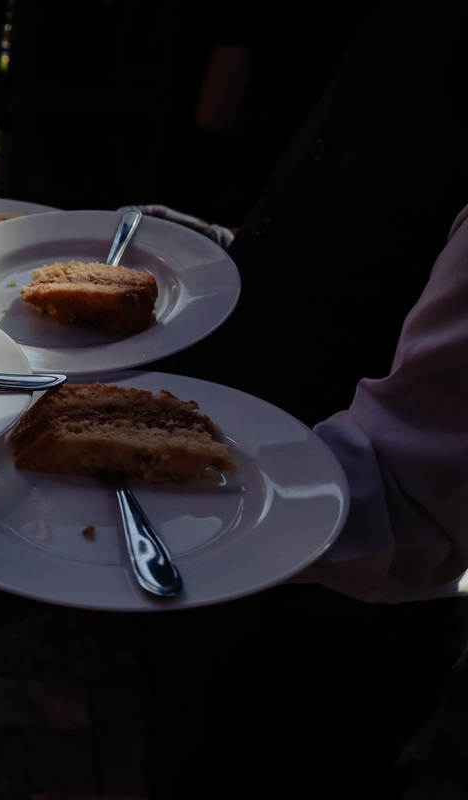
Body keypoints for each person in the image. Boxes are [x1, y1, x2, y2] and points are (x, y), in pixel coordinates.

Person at [125, 1, 468, 797]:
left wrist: (121, 481)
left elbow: (410, 495)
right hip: (222, 560)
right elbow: (361, 255)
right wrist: (209, 254)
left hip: (340, 618)